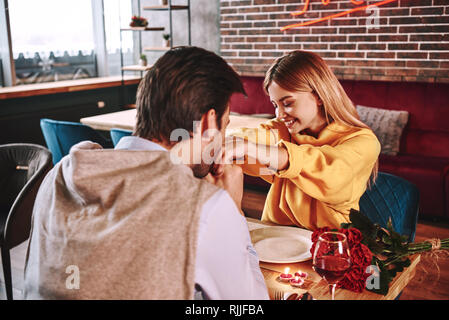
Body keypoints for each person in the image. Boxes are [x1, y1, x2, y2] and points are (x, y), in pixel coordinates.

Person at [24, 46, 269, 300]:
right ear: (207, 123)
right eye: (224, 125)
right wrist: (233, 209)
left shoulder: (59, 174)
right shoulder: (205, 208)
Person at [226, 50, 380, 230]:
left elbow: (330, 173)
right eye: (275, 105)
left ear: (319, 96)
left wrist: (256, 150)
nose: (280, 114)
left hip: (330, 245)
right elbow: (248, 138)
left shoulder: (363, 141)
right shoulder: (283, 130)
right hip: (276, 237)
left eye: (288, 103)